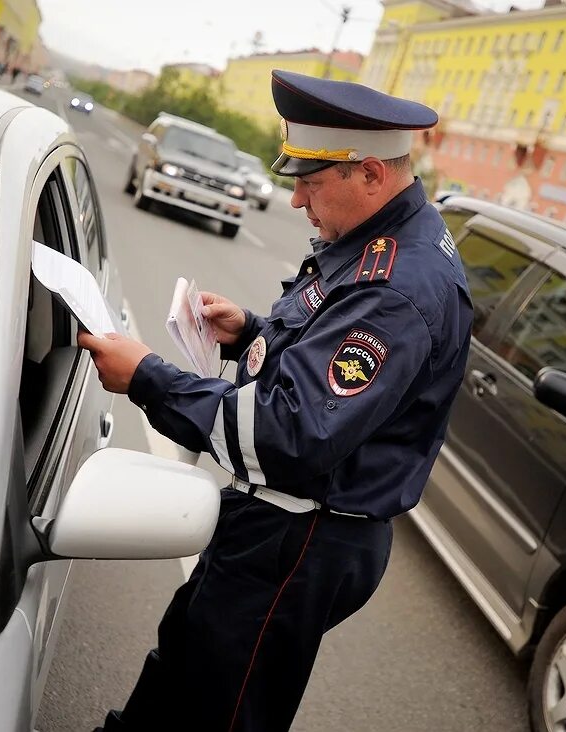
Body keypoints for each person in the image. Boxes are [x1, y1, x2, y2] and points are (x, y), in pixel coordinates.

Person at [78, 70, 472, 732]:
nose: (294, 200)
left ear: (372, 175)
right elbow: (325, 373)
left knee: (220, 711)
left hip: (300, 535)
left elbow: (290, 433)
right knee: (185, 663)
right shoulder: (377, 248)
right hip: (280, 523)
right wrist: (252, 335)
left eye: (310, 183)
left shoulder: (396, 287)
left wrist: (147, 376)